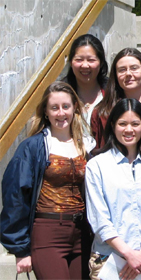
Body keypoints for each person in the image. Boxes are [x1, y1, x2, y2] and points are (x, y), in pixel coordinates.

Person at [1, 81, 96, 279]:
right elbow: (15, 195)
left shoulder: (87, 145)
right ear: (46, 111)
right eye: (54, 108)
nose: (61, 113)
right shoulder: (33, 147)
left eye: (66, 107)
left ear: (75, 108)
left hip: (82, 233)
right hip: (48, 232)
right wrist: (20, 249)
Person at [85, 98, 141, 280]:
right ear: (113, 125)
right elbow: (99, 219)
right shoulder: (97, 165)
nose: (129, 130)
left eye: (135, 124)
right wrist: (129, 254)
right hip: (109, 259)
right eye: (122, 123)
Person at [63, 34, 108, 125]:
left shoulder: (112, 92)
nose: (85, 65)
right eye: (79, 60)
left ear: (101, 62)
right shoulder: (59, 92)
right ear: (71, 62)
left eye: (91, 60)